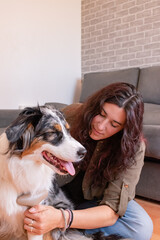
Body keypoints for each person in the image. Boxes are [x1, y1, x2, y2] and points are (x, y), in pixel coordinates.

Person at [23, 82, 153, 240]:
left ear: (124, 129)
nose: (101, 126)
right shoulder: (70, 115)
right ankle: (64, 228)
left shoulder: (134, 147)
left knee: (140, 228)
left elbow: (111, 211)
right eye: (102, 114)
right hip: (48, 193)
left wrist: (61, 218)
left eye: (114, 124)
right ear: (95, 106)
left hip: (90, 203)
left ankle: (63, 226)